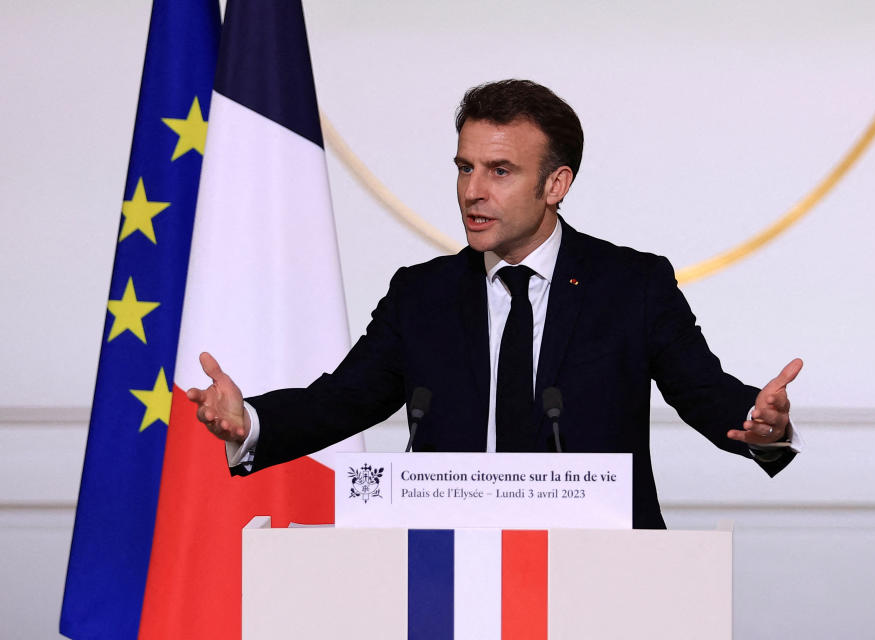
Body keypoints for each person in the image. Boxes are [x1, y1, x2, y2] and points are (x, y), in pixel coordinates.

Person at [187, 79, 802, 529]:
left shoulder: (630, 285)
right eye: (464, 167)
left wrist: (761, 424)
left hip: (602, 571)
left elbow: (703, 393)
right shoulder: (421, 294)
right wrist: (252, 422)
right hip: (443, 566)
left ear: (555, 184)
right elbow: (342, 399)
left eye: (500, 171)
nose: (472, 192)